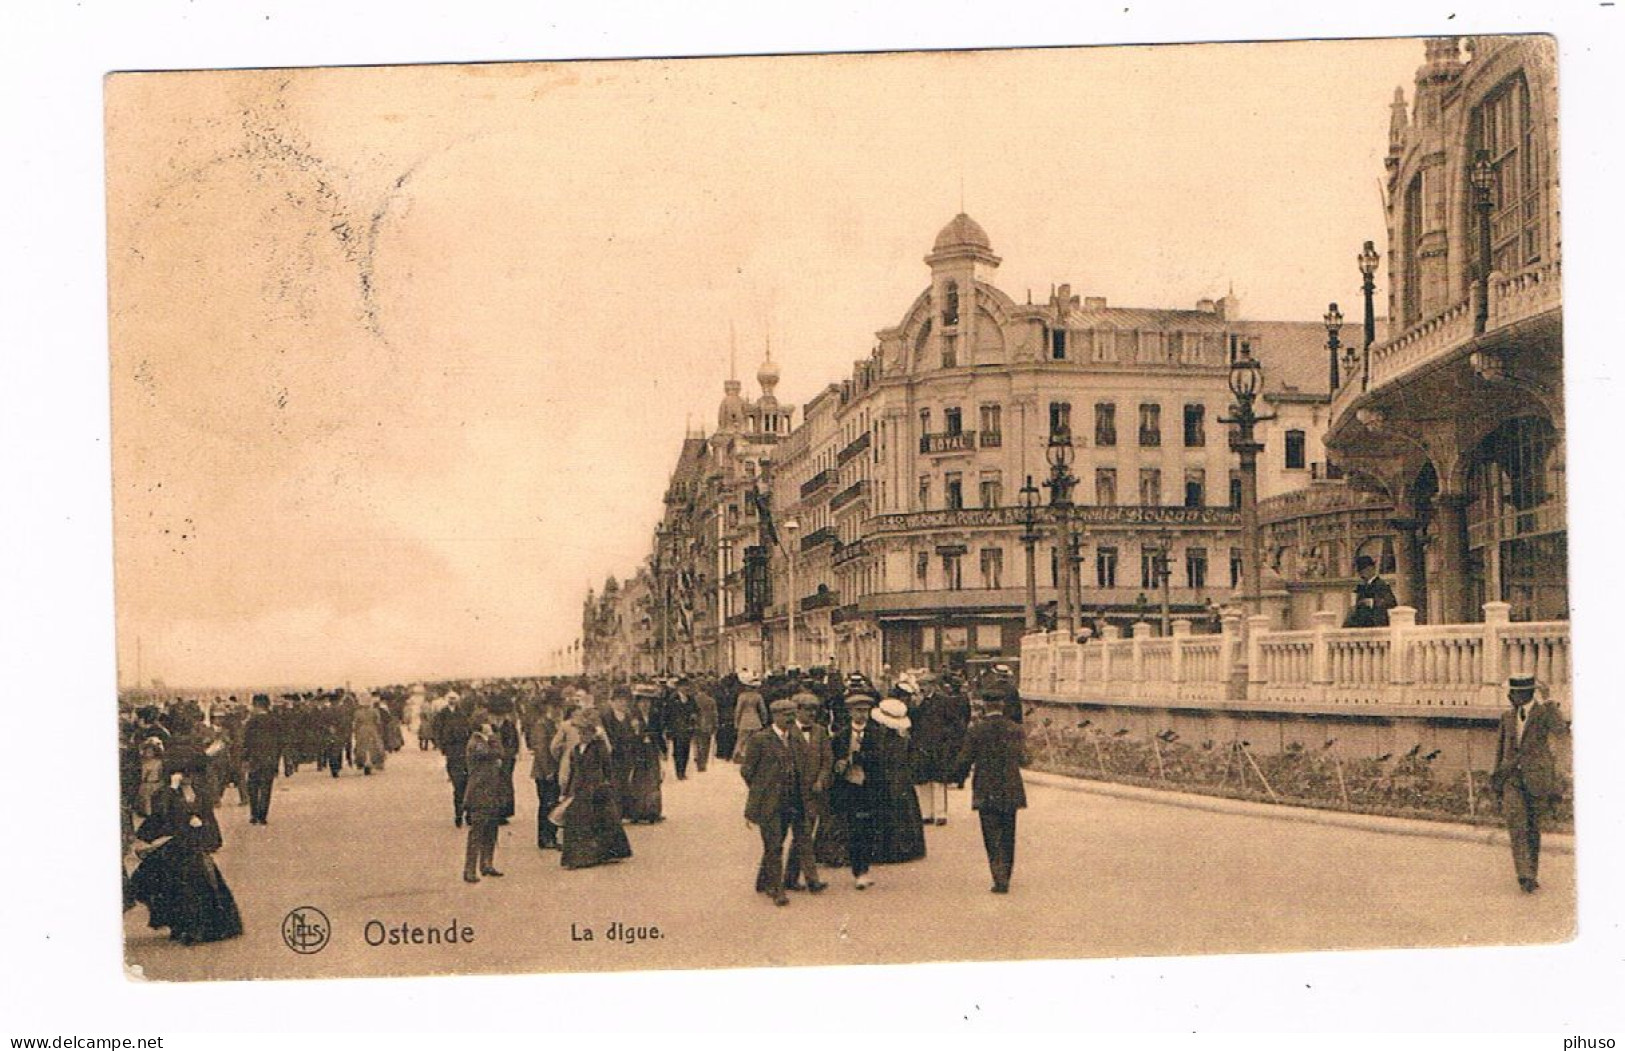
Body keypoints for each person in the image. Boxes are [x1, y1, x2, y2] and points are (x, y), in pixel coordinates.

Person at [128, 751, 244, 945]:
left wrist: (201, 827)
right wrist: (172, 790)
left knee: (196, 888)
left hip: (192, 846)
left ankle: (195, 928)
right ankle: (181, 926)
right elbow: (161, 814)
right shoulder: (164, 793)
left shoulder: (199, 792)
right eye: (183, 774)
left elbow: (207, 818)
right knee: (176, 889)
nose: (187, 778)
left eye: (190, 775)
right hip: (173, 847)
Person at [1490, 674, 1567, 893]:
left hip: (1537, 779)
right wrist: (1497, 778)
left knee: (1533, 827)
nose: (1510, 696)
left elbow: (1561, 732)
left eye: (1514, 692)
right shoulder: (1506, 717)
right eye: (1510, 692)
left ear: (1527, 693)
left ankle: (1531, 872)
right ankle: (1524, 875)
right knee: (1517, 825)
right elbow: (1501, 749)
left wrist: (1551, 703)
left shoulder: (1545, 713)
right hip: (1512, 778)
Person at [739, 698, 819, 905]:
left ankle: (764, 881)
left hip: (795, 799)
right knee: (774, 845)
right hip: (771, 802)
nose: (791, 719)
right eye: (787, 715)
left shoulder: (795, 738)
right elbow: (747, 770)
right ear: (775, 716)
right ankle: (776, 889)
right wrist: (762, 790)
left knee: (799, 839)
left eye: (793, 714)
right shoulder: (760, 739)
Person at [952, 690, 1029, 893]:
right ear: (1002, 705)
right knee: (1008, 833)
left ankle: (998, 876)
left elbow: (964, 760)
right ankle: (1006, 873)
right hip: (1010, 787)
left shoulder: (976, 730)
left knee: (991, 834)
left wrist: (956, 776)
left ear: (985, 706)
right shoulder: (1016, 729)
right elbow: (1025, 759)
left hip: (986, 788)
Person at [557, 706, 634, 870]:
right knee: (577, 822)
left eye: (585, 732)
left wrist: (609, 785)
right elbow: (573, 772)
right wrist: (565, 792)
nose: (582, 736)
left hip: (596, 788)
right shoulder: (576, 750)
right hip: (579, 789)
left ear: (592, 733)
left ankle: (598, 854)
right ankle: (577, 857)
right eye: (580, 732)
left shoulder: (599, 747)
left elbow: (608, 768)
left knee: (599, 821)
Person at [830, 692, 885, 889]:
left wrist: (858, 758)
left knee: (869, 828)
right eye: (858, 711)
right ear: (850, 712)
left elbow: (881, 757)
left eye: (865, 711)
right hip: (850, 787)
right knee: (854, 828)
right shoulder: (841, 735)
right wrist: (838, 765)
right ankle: (858, 870)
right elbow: (833, 758)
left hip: (871, 786)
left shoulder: (878, 732)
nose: (862, 715)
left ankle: (865, 867)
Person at [784, 691, 833, 893]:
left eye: (815, 709)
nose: (812, 713)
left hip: (813, 792)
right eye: (808, 709)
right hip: (792, 793)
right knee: (786, 837)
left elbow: (827, 759)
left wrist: (821, 779)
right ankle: (803, 879)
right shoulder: (787, 732)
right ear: (797, 711)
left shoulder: (820, 732)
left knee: (803, 835)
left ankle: (794, 879)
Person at [871, 697, 926, 863]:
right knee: (903, 811)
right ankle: (905, 847)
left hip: (886, 778)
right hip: (901, 779)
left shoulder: (880, 736)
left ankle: (885, 850)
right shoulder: (904, 737)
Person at [460, 712, 506, 883]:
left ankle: (486, 863)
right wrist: (493, 737)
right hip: (479, 793)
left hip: (490, 791)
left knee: (491, 829)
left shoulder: (482, 742)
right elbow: (497, 753)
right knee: (477, 832)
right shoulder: (476, 743)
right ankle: (470, 869)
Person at [241, 694, 282, 825]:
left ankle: (254, 815)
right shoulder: (275, 721)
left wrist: (244, 759)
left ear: (256, 705)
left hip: (254, 759)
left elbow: (245, 742)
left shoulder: (251, 722)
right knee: (266, 787)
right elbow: (279, 743)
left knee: (253, 787)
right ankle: (262, 815)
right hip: (270, 759)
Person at [528, 700, 563, 850]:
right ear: (551, 707)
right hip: (544, 773)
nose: (559, 712)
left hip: (551, 771)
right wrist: (548, 770)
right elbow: (541, 749)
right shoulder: (542, 725)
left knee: (553, 803)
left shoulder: (552, 723)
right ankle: (545, 838)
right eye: (557, 708)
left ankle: (551, 836)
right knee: (546, 805)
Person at [436, 697, 474, 827]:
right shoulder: (444, 714)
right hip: (455, 756)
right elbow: (438, 731)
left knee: (463, 787)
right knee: (460, 787)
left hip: (462, 757)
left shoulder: (462, 714)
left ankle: (464, 814)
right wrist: (442, 746)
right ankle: (462, 814)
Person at [1343, 554, 1397, 628]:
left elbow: (1390, 602)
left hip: (1376, 623)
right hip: (1362, 623)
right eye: (1361, 571)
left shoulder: (1381, 585)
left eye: (1364, 570)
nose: (1362, 574)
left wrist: (1372, 602)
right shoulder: (1362, 587)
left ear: (1372, 569)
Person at [662, 679, 699, 780]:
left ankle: (683, 770)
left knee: (686, 750)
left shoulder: (690, 699)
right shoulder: (672, 699)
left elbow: (696, 710)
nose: (685, 688)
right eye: (683, 686)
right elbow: (667, 713)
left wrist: (694, 716)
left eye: (686, 686)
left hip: (687, 728)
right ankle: (679, 771)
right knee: (678, 750)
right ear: (678, 687)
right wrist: (666, 728)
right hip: (676, 728)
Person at [733, 673, 767, 761]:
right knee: (755, 741)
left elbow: (738, 710)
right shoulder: (758, 696)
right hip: (756, 721)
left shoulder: (742, 696)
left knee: (741, 740)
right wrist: (764, 720)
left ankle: (738, 755)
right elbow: (763, 710)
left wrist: (736, 722)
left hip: (744, 721)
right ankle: (754, 757)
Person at [351, 695, 385, 774]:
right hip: (372, 729)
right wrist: (379, 731)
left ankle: (362, 762)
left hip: (362, 730)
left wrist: (356, 732)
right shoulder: (374, 711)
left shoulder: (358, 712)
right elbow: (378, 722)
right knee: (374, 746)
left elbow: (356, 724)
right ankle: (373, 762)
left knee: (361, 747)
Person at [691, 677, 718, 772]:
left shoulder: (694, 699)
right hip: (708, 724)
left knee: (696, 742)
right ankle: (703, 762)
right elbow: (714, 714)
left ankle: (698, 757)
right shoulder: (711, 700)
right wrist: (715, 724)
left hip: (696, 723)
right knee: (706, 744)